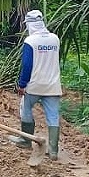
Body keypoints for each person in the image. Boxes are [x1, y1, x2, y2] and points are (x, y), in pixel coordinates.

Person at [13, 10, 63, 160]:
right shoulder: (55, 39)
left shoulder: (31, 41)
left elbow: (27, 65)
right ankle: (53, 151)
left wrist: (22, 84)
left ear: (29, 24)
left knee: (26, 109)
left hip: (34, 85)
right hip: (53, 85)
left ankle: (26, 140)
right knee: (53, 116)